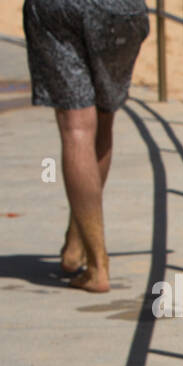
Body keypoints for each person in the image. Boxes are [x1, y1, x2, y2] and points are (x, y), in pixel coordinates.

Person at [22, 0, 150, 293]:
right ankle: (77, 244)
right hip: (121, 10)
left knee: (77, 126)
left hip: (59, 9)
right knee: (103, 118)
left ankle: (97, 265)